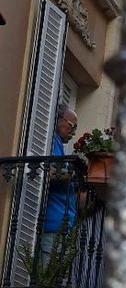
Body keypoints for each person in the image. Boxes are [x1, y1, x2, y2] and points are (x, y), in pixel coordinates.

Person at [40, 104, 79, 265]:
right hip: (52, 226)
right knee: (46, 284)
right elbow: (49, 172)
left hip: (61, 228)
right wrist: (74, 172)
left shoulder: (58, 146)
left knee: (51, 283)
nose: (74, 132)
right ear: (58, 120)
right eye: (71, 126)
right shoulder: (50, 140)